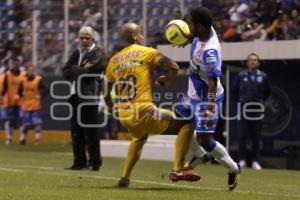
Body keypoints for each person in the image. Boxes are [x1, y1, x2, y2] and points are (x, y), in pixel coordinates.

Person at [104, 22, 200, 188]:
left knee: (139, 137)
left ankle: (124, 177)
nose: (143, 36)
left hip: (124, 116)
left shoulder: (114, 60)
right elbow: (174, 66)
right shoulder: (146, 52)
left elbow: (106, 89)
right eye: (141, 33)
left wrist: (111, 107)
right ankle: (178, 169)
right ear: (135, 36)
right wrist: (167, 79)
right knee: (186, 124)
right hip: (143, 111)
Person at [174, 7, 241, 190]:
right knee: (178, 121)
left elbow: (212, 82)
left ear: (201, 27)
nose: (189, 27)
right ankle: (200, 155)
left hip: (207, 97)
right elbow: (196, 34)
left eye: (192, 24)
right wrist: (186, 38)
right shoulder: (204, 31)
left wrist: (210, 105)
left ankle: (233, 168)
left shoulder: (209, 53)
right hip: (193, 94)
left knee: (204, 138)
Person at [63, 26, 105, 171]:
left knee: (91, 132)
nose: (84, 40)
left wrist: (75, 70)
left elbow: (86, 71)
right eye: (81, 37)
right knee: (76, 131)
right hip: (75, 96)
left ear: (93, 38)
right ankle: (79, 162)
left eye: (87, 37)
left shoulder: (98, 54)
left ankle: (94, 163)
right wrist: (79, 70)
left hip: (89, 97)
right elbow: (65, 72)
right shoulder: (76, 53)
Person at [233, 53, 271, 170]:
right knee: (242, 136)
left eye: (255, 60)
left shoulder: (263, 76)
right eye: (251, 60)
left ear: (258, 63)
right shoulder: (240, 75)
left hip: (257, 110)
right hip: (243, 109)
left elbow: (267, 92)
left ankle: (255, 161)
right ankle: (242, 160)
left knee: (256, 136)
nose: (253, 62)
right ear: (247, 62)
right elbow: (234, 91)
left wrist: (259, 102)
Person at [18, 65, 46, 145]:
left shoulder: (38, 79)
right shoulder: (23, 80)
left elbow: (46, 88)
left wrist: (41, 95)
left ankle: (37, 139)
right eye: (30, 70)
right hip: (26, 105)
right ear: (27, 71)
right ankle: (23, 138)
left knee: (37, 123)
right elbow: (19, 91)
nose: (31, 72)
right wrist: (21, 95)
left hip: (35, 105)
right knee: (26, 124)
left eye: (32, 70)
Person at [0, 58, 26, 144]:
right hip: (10, 100)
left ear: (19, 65)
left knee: (21, 119)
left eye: (17, 64)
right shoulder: (7, 75)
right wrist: (1, 96)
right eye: (14, 64)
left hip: (20, 101)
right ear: (12, 65)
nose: (16, 65)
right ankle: (9, 137)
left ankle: (22, 137)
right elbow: (4, 87)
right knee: (9, 119)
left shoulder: (23, 75)